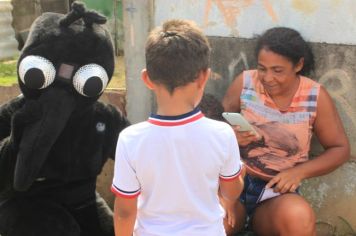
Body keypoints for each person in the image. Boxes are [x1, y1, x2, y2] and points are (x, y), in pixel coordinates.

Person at [111, 19, 244, 236]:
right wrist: (240, 173)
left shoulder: (130, 139)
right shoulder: (222, 134)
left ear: (147, 78)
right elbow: (231, 193)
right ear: (204, 77)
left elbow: (125, 211)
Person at [223, 27, 350, 236]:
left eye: (277, 70)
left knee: (298, 219)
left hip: (276, 195)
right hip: (232, 184)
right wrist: (230, 136)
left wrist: (299, 172)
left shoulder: (314, 96)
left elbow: (340, 149)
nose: (267, 77)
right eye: (262, 68)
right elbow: (214, 125)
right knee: (209, 221)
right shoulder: (245, 83)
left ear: (298, 65)